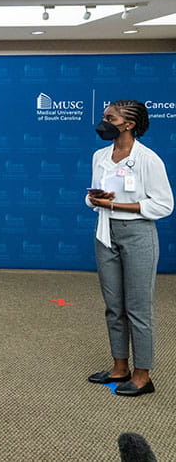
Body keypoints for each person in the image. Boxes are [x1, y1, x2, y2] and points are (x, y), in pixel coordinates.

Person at [85, 100, 173, 397]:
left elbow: (163, 204)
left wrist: (116, 204)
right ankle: (119, 367)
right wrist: (96, 198)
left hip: (138, 235)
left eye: (110, 117)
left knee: (138, 308)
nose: (104, 121)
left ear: (129, 124)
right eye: (103, 116)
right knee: (114, 306)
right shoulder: (100, 155)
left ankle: (142, 375)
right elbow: (91, 197)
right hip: (104, 233)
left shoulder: (148, 159)